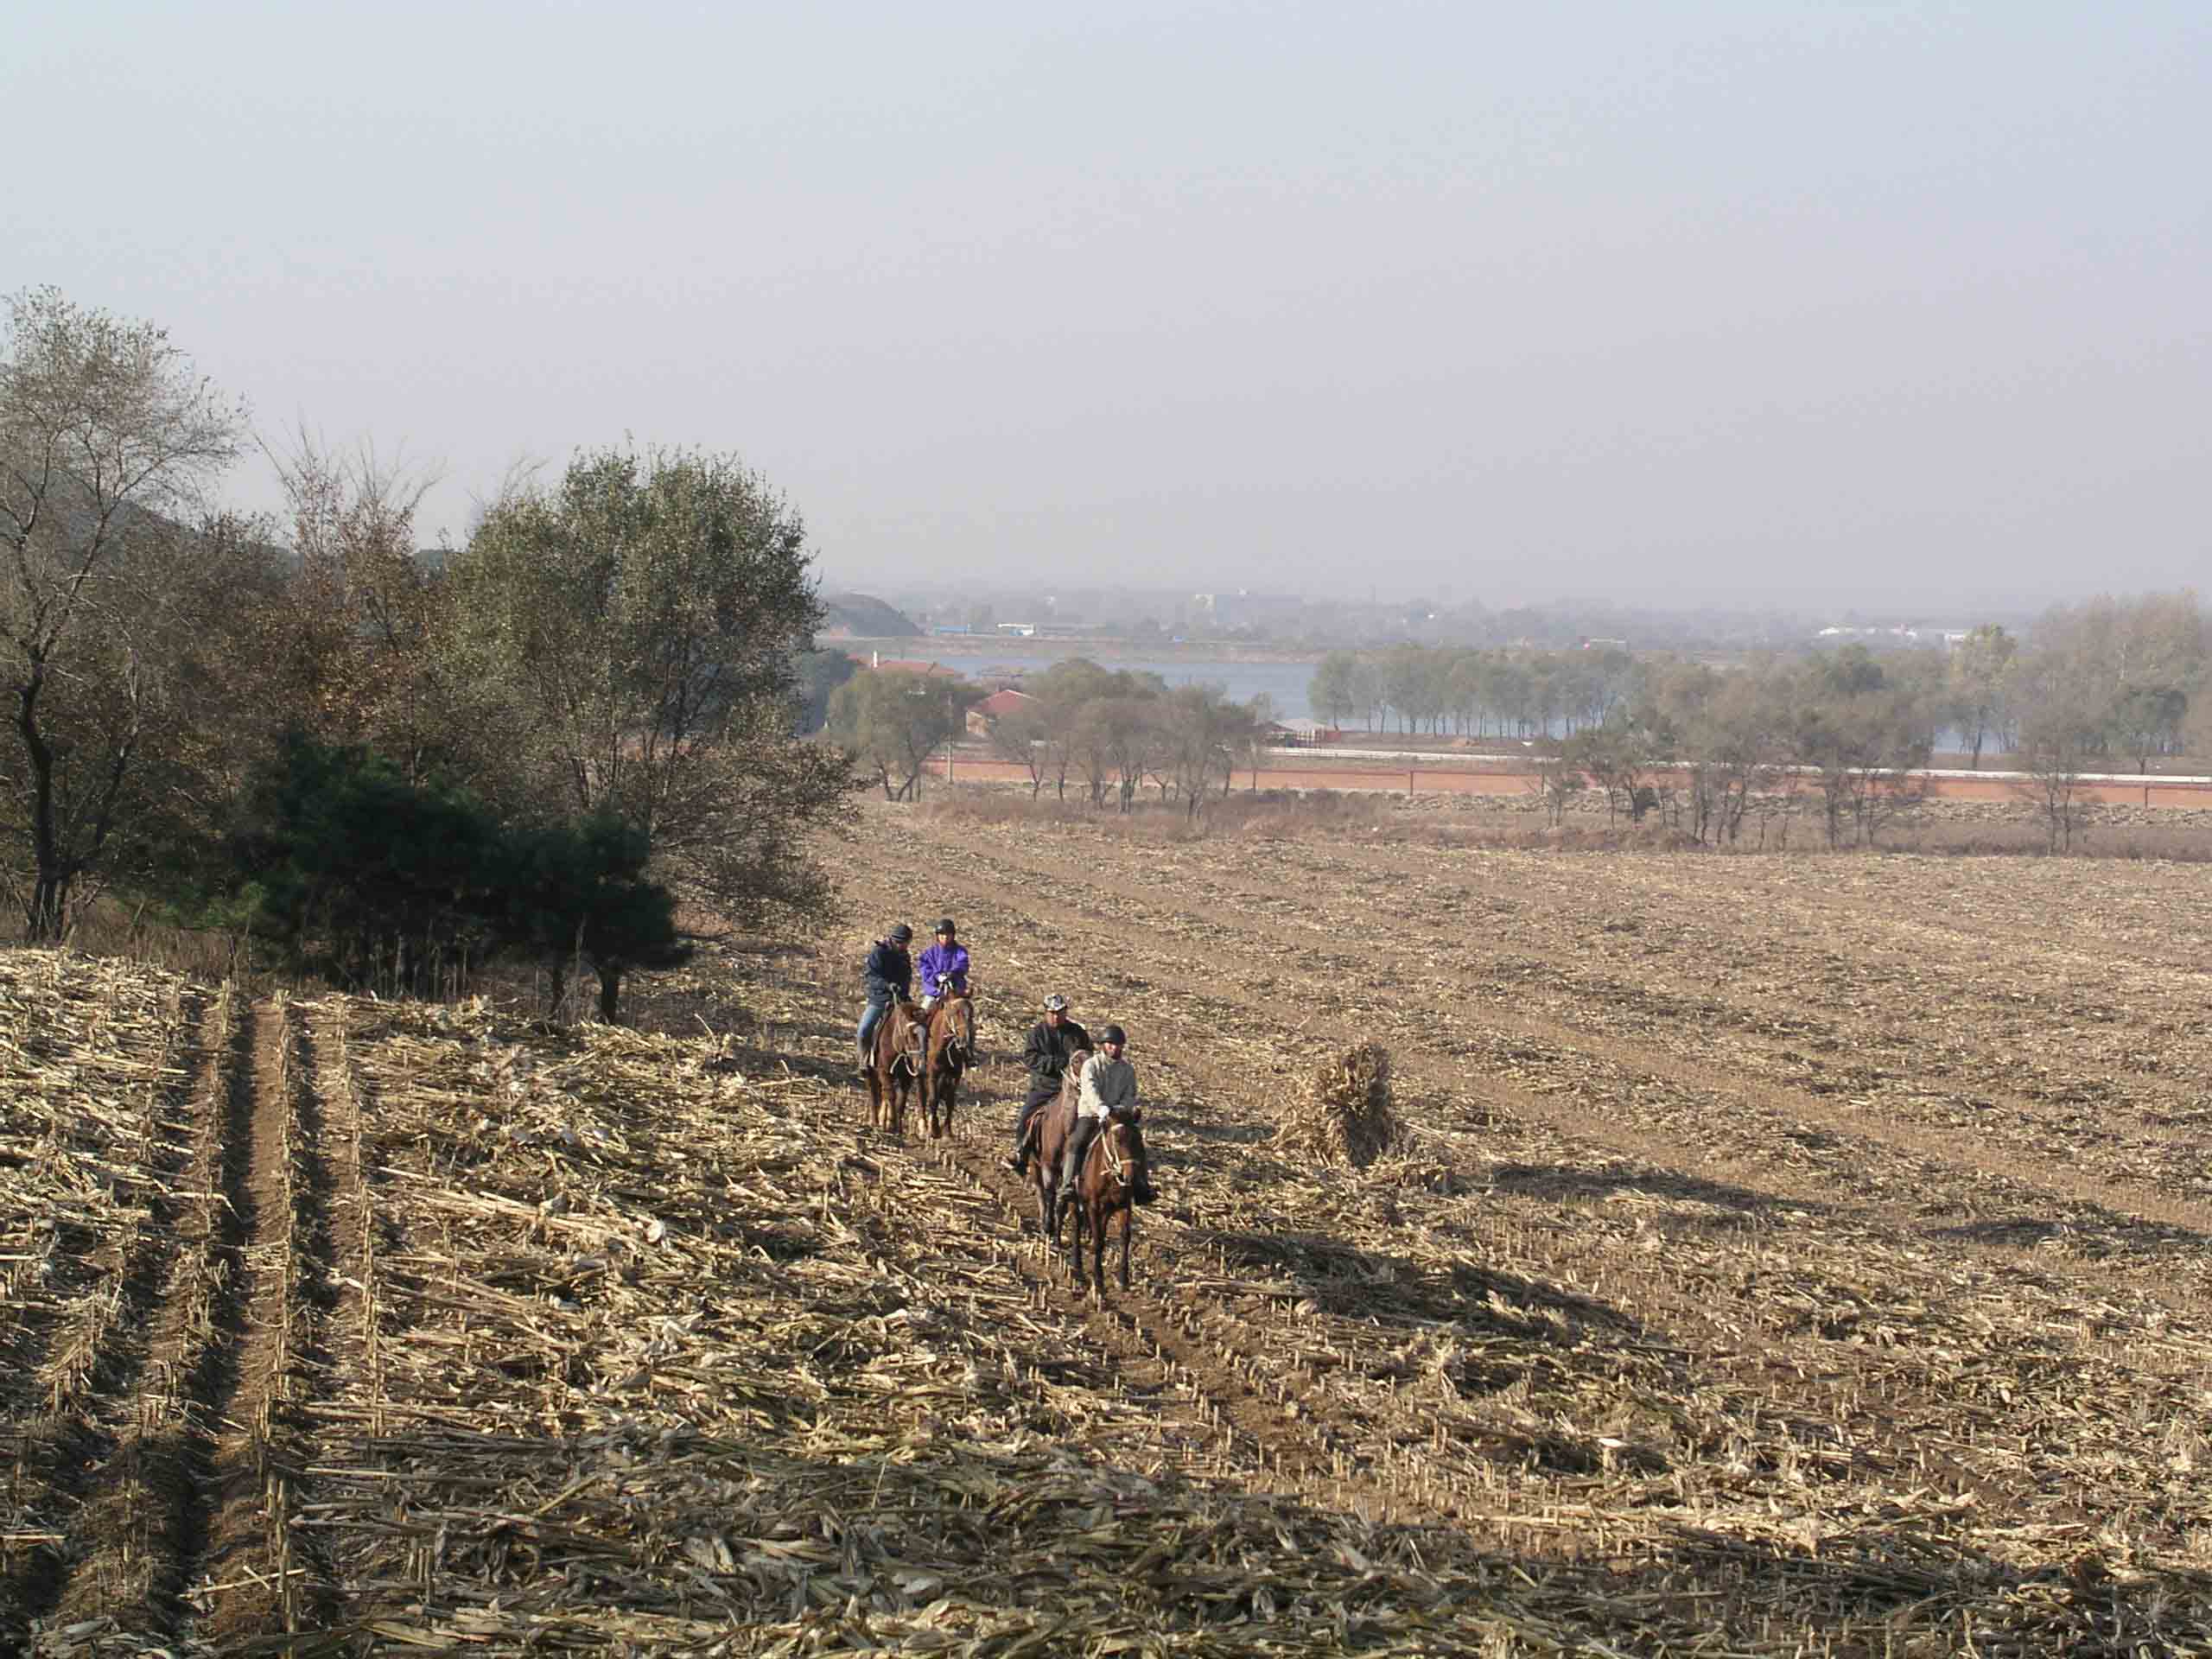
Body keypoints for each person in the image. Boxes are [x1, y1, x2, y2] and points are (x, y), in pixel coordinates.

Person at [1060, 1025, 1156, 1205]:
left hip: (1118, 1116)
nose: (1114, 1048)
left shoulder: (1127, 1069)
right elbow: (1089, 1089)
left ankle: (1141, 1185)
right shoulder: (1091, 1065)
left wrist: (1122, 1107)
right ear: (1102, 1045)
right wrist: (1101, 1108)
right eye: (1110, 1044)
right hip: (1092, 1114)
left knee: (1135, 1143)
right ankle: (1068, 1185)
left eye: (1118, 1045)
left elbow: (1130, 1093)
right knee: (1077, 1141)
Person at [1007, 994, 1090, 1174]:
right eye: (1052, 1013)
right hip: (1045, 1086)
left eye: (1059, 1012)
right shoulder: (1036, 1034)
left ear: (1065, 1011)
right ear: (1045, 1012)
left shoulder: (1077, 1033)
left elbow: (1087, 1055)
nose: (1056, 1016)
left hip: (1075, 1088)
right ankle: (1021, 1152)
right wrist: (1055, 1063)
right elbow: (1030, 1058)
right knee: (1025, 1117)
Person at [856, 924, 914, 1071]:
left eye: (904, 943)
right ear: (892, 939)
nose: (901, 945)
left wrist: (903, 994)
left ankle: (918, 1061)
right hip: (879, 999)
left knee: (919, 1026)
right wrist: (887, 986)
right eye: (898, 942)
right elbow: (871, 976)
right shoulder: (879, 953)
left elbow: (907, 979)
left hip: (900, 999)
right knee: (864, 1029)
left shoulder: (905, 957)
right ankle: (864, 1060)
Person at [916, 918, 969, 1009]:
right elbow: (924, 969)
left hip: (955, 991)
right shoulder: (929, 953)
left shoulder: (960, 951)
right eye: (942, 935)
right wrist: (937, 977)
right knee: (924, 1012)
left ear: (953, 935)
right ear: (937, 936)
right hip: (934, 992)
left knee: (965, 1012)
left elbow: (962, 964)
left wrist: (953, 973)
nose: (945, 937)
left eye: (948, 934)